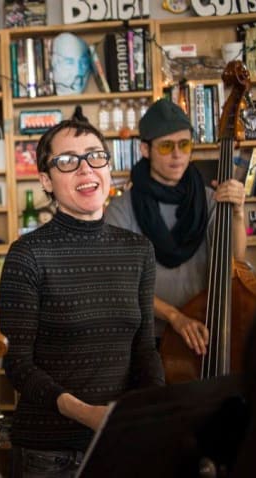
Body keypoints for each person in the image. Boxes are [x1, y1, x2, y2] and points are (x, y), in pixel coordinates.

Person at [0, 108, 165, 477]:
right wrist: (87, 414)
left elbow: (144, 348)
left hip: (121, 443)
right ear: (45, 180)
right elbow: (17, 364)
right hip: (50, 455)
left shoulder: (139, 250)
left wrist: (150, 409)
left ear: (109, 169)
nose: (86, 169)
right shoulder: (28, 255)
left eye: (95, 156)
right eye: (68, 161)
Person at [104, 99, 248, 355]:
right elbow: (121, 284)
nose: (177, 154)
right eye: (167, 146)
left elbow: (236, 259)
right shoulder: (120, 210)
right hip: (148, 341)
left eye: (184, 144)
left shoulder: (211, 198)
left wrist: (237, 213)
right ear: (145, 150)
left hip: (205, 331)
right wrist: (175, 317)